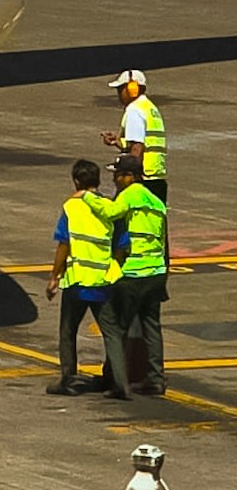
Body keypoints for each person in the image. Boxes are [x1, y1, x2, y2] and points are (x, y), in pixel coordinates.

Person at [47, 156, 120, 395]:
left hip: (78, 281)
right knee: (111, 333)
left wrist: (54, 276)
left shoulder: (71, 207)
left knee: (68, 331)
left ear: (76, 181)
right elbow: (122, 243)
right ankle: (118, 380)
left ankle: (69, 380)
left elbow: (63, 245)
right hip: (102, 281)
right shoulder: (108, 207)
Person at [105, 158, 171, 399]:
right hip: (155, 272)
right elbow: (164, 241)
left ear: (129, 176)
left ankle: (115, 378)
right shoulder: (156, 202)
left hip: (132, 273)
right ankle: (156, 379)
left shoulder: (129, 195)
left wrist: (87, 198)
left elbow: (109, 215)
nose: (114, 179)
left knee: (117, 327)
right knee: (152, 327)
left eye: (117, 174)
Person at [106, 70, 169, 215]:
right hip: (156, 177)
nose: (119, 94)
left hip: (142, 180)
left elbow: (137, 148)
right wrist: (118, 142)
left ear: (131, 89)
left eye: (121, 89)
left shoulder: (135, 110)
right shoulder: (150, 108)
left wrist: (130, 178)